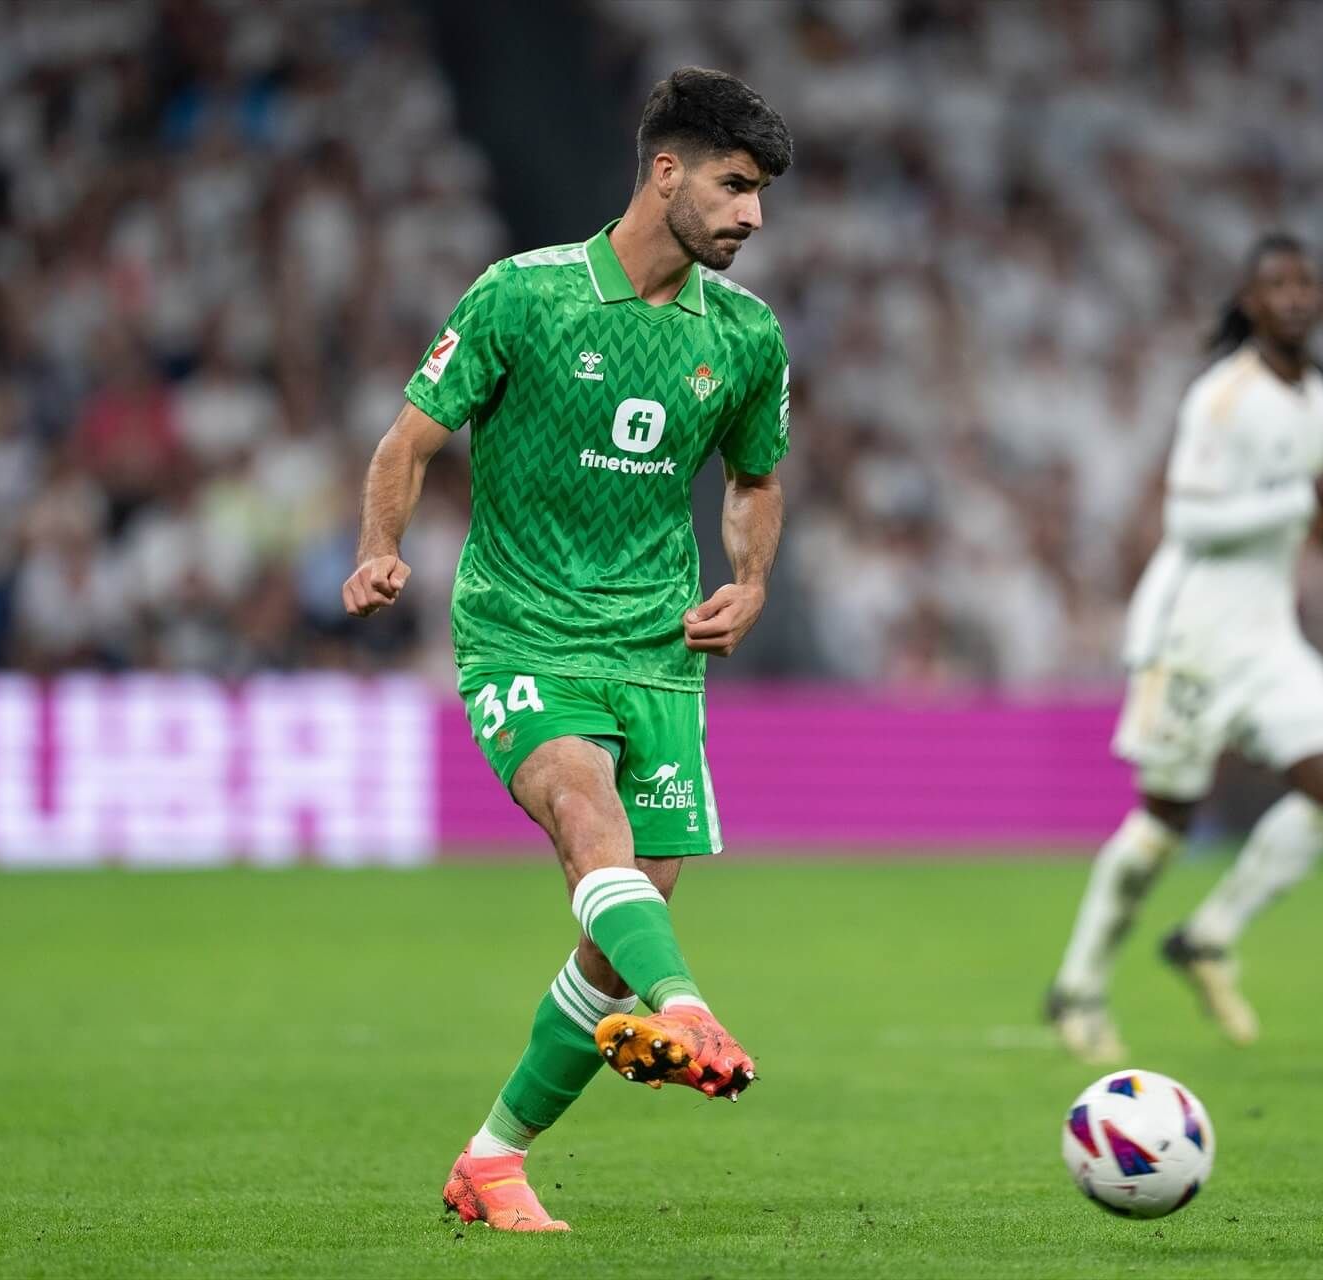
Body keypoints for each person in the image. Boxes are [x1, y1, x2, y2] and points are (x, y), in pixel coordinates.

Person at [342, 68, 793, 1233]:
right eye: (736, 187)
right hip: (523, 630)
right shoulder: (525, 295)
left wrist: (750, 582)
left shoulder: (743, 334)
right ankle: (687, 1005)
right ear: (666, 172)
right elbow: (410, 436)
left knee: (620, 918)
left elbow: (755, 477)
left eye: (761, 196)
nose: (752, 216)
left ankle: (492, 1159)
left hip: (658, 649)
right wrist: (379, 547)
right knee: (586, 810)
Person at [1046, 234, 1323, 1061]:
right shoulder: (1222, 397)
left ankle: (1211, 934)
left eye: (1306, 282)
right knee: (1165, 825)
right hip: (1190, 634)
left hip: (1270, 634)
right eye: (1276, 285)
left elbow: (1309, 523)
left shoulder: (1320, 399)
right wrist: (1305, 500)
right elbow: (1187, 521)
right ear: (1250, 304)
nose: (1294, 296)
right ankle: (1078, 986)